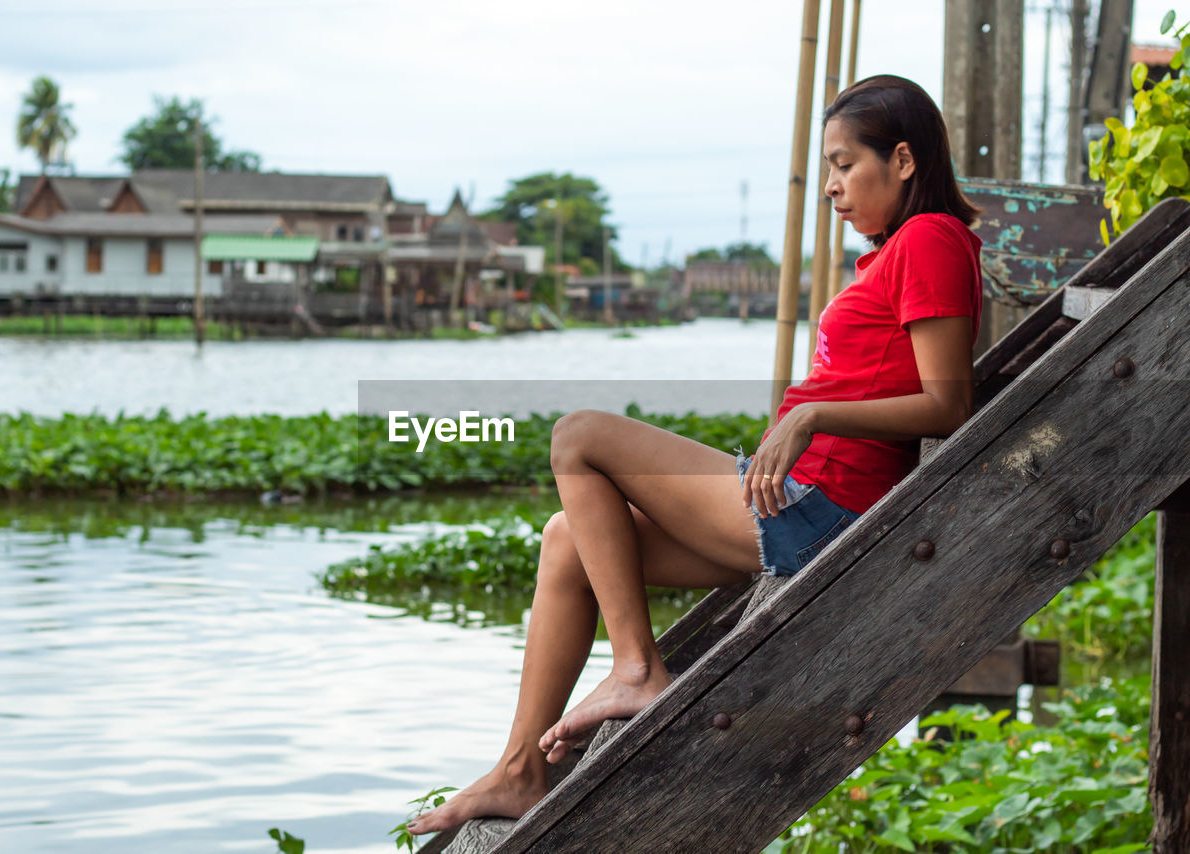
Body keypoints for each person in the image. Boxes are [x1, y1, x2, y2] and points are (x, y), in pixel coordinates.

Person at [407, 74, 983, 836]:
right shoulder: (893, 252)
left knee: (578, 435)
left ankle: (637, 668)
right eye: (829, 172)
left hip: (824, 508)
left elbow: (950, 405)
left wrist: (811, 412)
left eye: (845, 166)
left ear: (903, 160)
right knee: (565, 540)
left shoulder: (930, 240)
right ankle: (520, 770)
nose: (833, 189)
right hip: (800, 499)